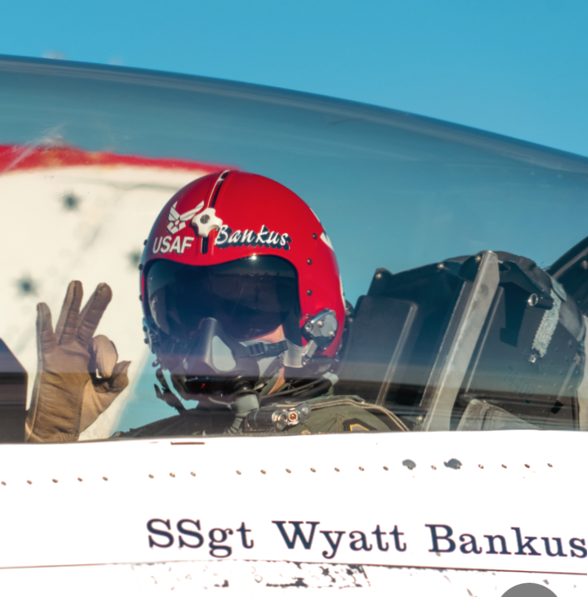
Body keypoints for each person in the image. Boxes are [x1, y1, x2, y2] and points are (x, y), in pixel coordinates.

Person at [26, 171, 407, 442]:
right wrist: (50, 440)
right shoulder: (156, 444)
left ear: (313, 318)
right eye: (188, 311)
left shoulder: (355, 448)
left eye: (248, 308)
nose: (209, 341)